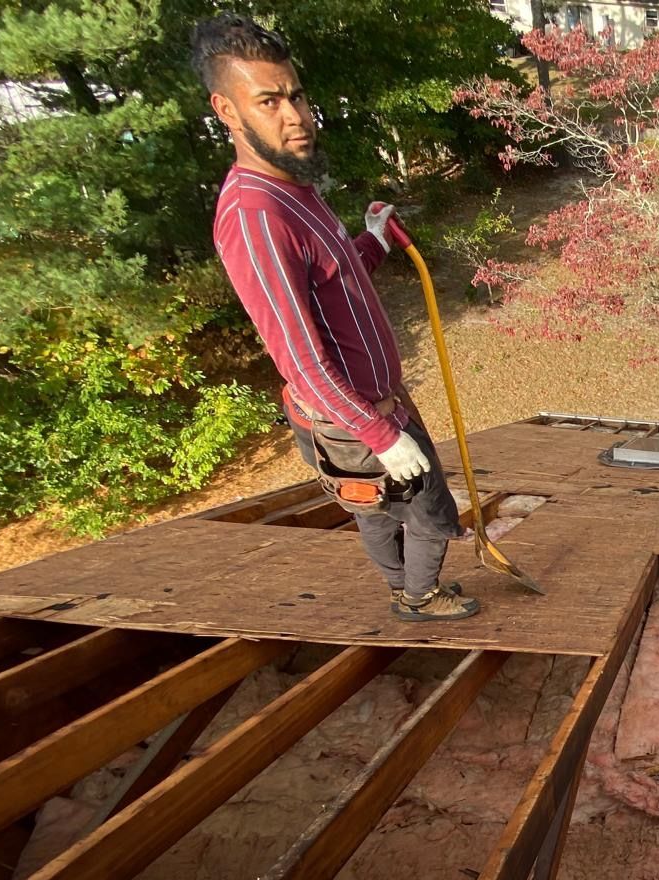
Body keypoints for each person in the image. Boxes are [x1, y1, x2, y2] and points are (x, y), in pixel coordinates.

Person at [192, 13, 477, 622]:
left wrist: (371, 240)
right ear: (227, 111)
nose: (294, 116)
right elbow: (298, 359)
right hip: (353, 418)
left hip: (378, 401)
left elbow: (334, 278)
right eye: (267, 101)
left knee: (377, 507)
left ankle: (408, 588)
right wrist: (380, 436)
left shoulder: (296, 190)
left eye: (295, 95)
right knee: (419, 508)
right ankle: (418, 597)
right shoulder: (255, 215)